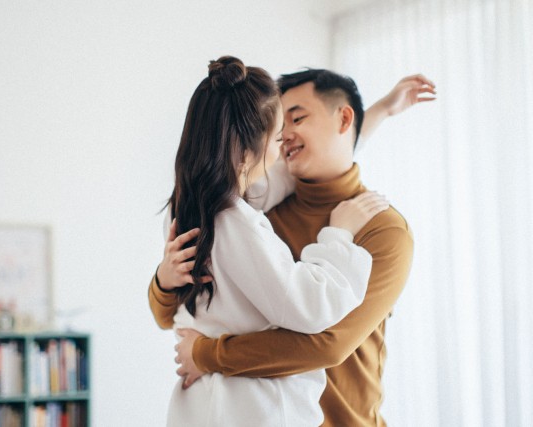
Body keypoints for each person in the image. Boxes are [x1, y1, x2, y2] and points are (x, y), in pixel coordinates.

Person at [150, 69, 436, 426]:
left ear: (344, 119)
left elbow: (327, 344)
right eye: (278, 128)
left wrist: (206, 354)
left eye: (297, 119)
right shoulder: (258, 210)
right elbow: (168, 314)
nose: (285, 135)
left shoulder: (381, 227)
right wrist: (163, 280)